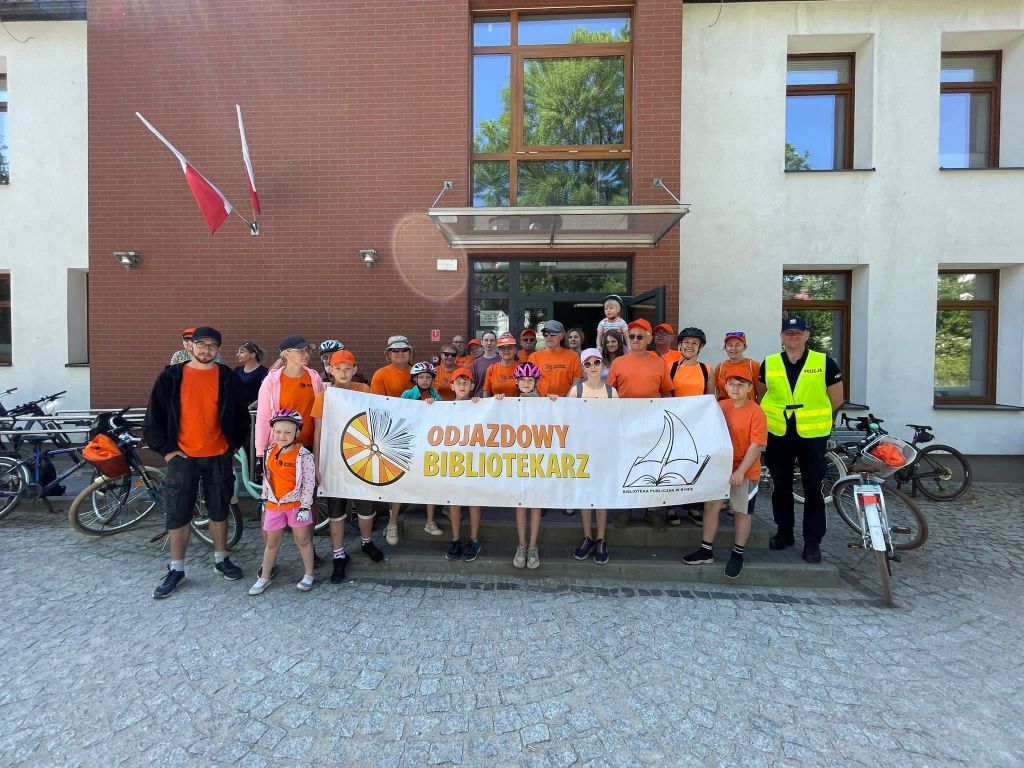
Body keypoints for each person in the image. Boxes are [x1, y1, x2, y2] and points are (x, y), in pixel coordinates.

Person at [144, 326, 251, 599]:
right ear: (190, 346)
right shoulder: (171, 377)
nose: (206, 350)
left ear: (218, 349)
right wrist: (167, 451)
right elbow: (153, 418)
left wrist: (232, 446)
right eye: (201, 344)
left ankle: (221, 559)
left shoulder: (227, 377)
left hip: (218, 456)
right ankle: (176, 568)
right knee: (178, 511)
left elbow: (241, 417)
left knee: (219, 509)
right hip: (183, 458)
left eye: (212, 345)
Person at [760, 317, 844, 564]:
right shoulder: (770, 363)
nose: (793, 336)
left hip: (812, 436)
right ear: (782, 337)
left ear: (807, 335)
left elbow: (836, 399)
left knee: (813, 488)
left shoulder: (824, 362)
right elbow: (762, 395)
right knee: (781, 486)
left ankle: (812, 541)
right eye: (789, 333)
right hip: (778, 433)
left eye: (798, 332)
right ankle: (784, 533)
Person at [682, 369, 767, 578]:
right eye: (731, 384)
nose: (735, 388)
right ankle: (706, 550)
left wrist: (740, 471)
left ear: (750, 388)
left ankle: (737, 554)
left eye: (740, 385)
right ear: (725, 387)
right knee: (711, 507)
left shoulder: (756, 412)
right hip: (720, 468)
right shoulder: (721, 406)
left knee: (742, 511)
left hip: (745, 470)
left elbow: (756, 445)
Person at [312, 350, 384, 584]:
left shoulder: (363, 390)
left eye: (347, 368)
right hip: (334, 459)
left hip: (361, 457)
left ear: (355, 370)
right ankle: (338, 554)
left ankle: (366, 542)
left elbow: (374, 417)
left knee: (365, 505)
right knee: (336, 509)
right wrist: (317, 462)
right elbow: (318, 430)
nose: (343, 373)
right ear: (330, 370)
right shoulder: (325, 396)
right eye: (338, 368)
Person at [606, 319, 674, 530]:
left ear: (649, 339)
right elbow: (609, 393)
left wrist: (670, 417)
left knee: (653, 465)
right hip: (624, 423)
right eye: (632, 336)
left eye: (640, 336)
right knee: (626, 464)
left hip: (652, 424)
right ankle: (624, 510)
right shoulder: (619, 362)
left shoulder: (659, 363)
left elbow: (666, 392)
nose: (635, 340)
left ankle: (651, 511)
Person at [248, 409, 316, 595]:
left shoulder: (303, 455)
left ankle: (309, 574)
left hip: (296, 506)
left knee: (303, 540)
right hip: (274, 505)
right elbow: (267, 478)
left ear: (297, 433)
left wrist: (305, 506)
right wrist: (264, 498)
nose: (282, 436)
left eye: (287, 432)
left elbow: (309, 483)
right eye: (278, 432)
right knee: (272, 542)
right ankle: (265, 577)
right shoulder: (270, 451)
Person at [570, 349, 617, 565]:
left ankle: (601, 538)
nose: (593, 367)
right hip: (582, 450)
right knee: (585, 494)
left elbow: (616, 422)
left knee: (601, 495)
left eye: (596, 362)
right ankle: (587, 536)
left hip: (603, 450)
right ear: (583, 368)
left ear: (602, 364)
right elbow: (568, 420)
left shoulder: (611, 392)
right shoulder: (576, 391)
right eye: (587, 364)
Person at [440, 368, 483, 562]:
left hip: (474, 461)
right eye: (458, 383)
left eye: (466, 383)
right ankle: (455, 539)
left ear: (472, 386)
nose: (462, 386)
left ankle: (474, 540)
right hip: (454, 461)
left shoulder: (480, 405)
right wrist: (430, 405)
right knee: (454, 501)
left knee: (474, 501)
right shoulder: (445, 407)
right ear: (452, 386)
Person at [509, 362, 546, 569]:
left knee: (536, 503)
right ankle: (521, 544)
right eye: (522, 379)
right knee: (521, 503)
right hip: (518, 458)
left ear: (535, 382)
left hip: (537, 458)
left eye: (530, 380)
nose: (526, 383)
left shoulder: (544, 403)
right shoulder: (508, 403)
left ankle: (533, 546)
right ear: (517, 382)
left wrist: (553, 401)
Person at [400, 362, 443, 537]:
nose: (425, 380)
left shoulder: (436, 396)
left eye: (428, 377)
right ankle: (392, 522)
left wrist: (434, 406)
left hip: (429, 443)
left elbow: (442, 416)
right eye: (421, 377)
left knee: (430, 482)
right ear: (415, 378)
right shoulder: (407, 394)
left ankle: (430, 521)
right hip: (409, 443)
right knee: (399, 481)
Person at [529, 320, 583, 397]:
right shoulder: (533, 357)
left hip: (566, 401)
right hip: (540, 401)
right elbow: (530, 382)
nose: (549, 337)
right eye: (545, 334)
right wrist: (540, 400)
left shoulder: (573, 356)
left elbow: (577, 380)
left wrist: (566, 400)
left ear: (561, 336)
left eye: (552, 333)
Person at [714, 331, 764, 402]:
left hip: (747, 407)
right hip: (723, 408)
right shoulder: (720, 367)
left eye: (737, 345)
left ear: (744, 347)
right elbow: (718, 392)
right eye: (730, 345)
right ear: (725, 348)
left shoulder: (753, 365)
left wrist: (757, 408)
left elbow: (760, 394)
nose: (733, 348)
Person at [669, 327, 715, 398]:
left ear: (700, 346)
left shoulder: (707, 370)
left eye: (695, 343)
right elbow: (665, 397)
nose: (690, 346)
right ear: (680, 344)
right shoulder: (670, 367)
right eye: (686, 342)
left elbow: (710, 399)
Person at [482, 332, 519, 397]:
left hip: (517, 403)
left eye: (510, 347)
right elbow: (486, 395)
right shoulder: (491, 369)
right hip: (496, 403)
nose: (506, 350)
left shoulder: (522, 368)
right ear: (498, 350)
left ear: (515, 350)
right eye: (503, 347)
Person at [233, 341, 269, 407]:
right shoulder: (237, 370)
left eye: (241, 352)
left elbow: (267, 393)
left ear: (252, 355)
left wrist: (251, 406)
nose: (237, 355)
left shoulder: (263, 372)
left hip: (255, 410)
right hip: (238, 409)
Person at [469, 330, 499, 398]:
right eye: (486, 340)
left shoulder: (502, 360)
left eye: (492, 340)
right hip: (479, 400)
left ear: (496, 342)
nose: (489, 343)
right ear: (482, 342)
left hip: (498, 399)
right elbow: (472, 385)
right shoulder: (476, 363)